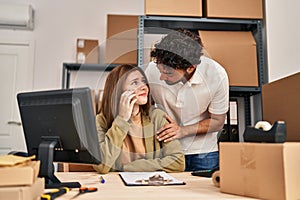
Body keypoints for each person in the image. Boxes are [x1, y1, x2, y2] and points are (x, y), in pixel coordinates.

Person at [145, 29, 229, 172]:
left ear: (190, 68)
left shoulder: (217, 75)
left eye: (168, 73)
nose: (161, 78)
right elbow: (145, 108)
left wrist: (182, 131)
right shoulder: (152, 70)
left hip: (203, 153)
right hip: (165, 149)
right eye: (160, 71)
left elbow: (217, 122)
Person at [93, 64, 185, 174]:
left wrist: (128, 167)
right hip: (116, 185)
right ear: (118, 91)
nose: (144, 87)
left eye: (143, 81)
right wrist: (122, 120)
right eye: (135, 82)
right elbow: (102, 166)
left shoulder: (157, 117)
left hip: (149, 186)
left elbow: (178, 162)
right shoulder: (101, 121)